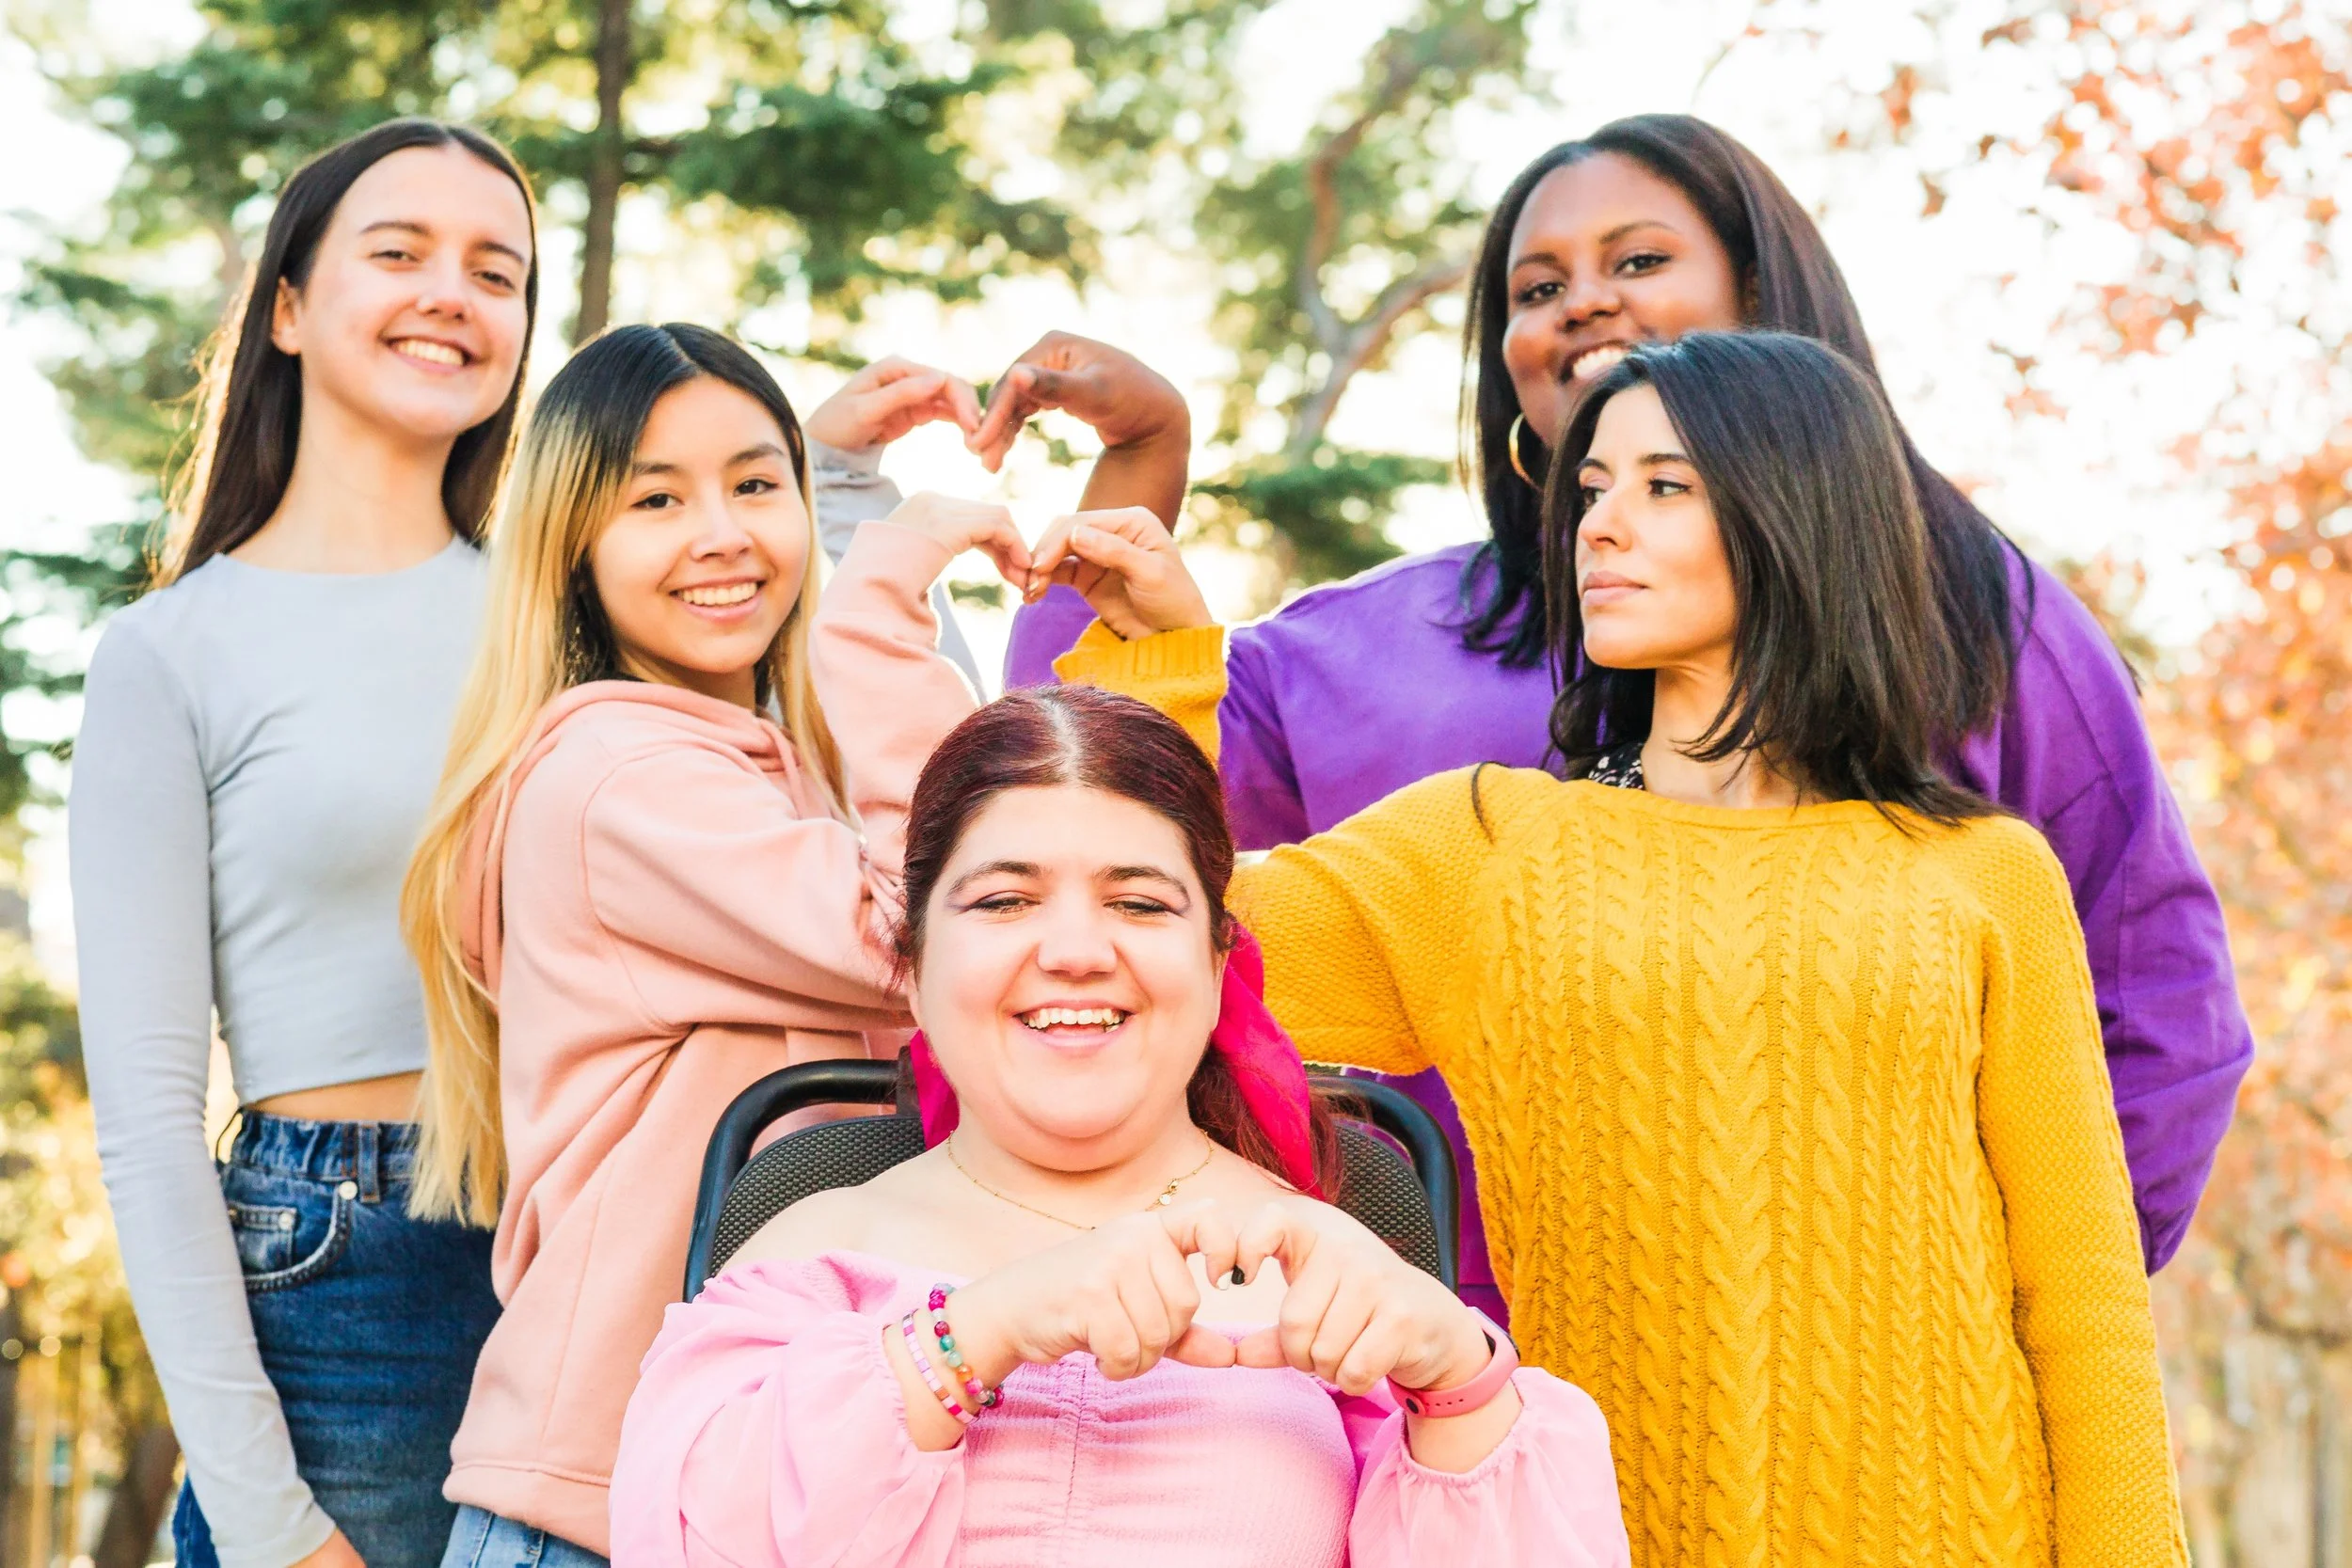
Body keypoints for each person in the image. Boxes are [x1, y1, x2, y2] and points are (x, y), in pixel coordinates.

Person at [1001, 113, 2251, 1291]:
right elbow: (1093, 817)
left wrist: (1968, 1316)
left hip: (1881, 1403)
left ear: (1763, 303)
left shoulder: (1983, 615)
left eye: (1639, 258)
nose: (1580, 300)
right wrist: (1139, 473)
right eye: (1535, 288)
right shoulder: (1373, 651)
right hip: (1458, 1395)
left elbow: (2159, 1013)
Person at [1040, 331, 2188, 1565]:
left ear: (1798, 514)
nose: (1600, 525)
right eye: (1592, 490)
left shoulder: (1981, 874)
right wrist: (1163, 672)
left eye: (1663, 486)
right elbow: (1172, 940)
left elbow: (2083, 1302)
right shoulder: (1485, 847)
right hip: (1600, 1532)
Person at [397, 321, 1177, 1568]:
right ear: (572, 544)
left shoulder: (779, 768)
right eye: (656, 498)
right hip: (602, 1503)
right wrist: (880, 595)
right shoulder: (612, 774)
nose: (724, 533)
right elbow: (927, 929)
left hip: (779, 1476)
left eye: (759, 484)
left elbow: (997, 849)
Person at [607, 657, 1632, 1566]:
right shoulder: (811, 1240)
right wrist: (983, 1329)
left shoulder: (1330, 1264)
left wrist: (1456, 1382)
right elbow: (690, 1534)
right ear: (911, 966)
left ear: (1218, 961)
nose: (1075, 949)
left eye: (1139, 903)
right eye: (1004, 900)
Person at [68, 119, 540, 1568]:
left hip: (593, 1244)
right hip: (346, 1283)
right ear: (286, 305)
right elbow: (150, 1126)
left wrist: (838, 488)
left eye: (497, 271)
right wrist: (271, 1517)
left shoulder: (567, 617)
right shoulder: (171, 653)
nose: (451, 293)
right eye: (398, 253)